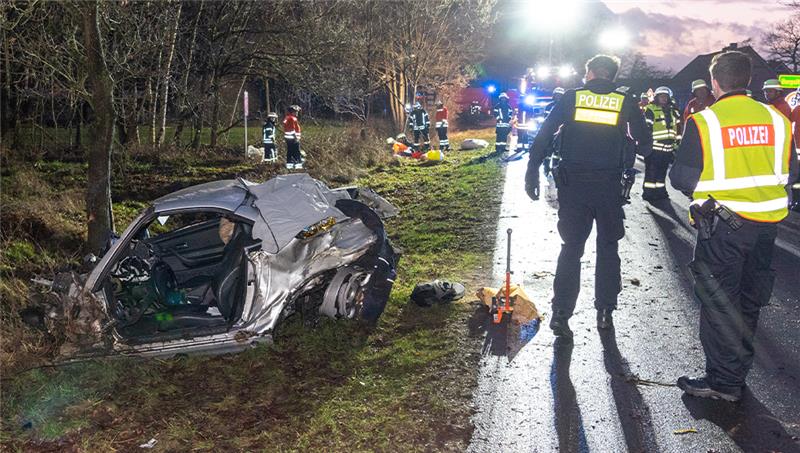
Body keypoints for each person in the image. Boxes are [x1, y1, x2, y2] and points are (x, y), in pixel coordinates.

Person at [669, 51, 798, 402]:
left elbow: (681, 177)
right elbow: (792, 173)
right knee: (749, 300)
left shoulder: (706, 121)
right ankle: (735, 373)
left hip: (723, 228)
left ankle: (723, 382)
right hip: (766, 230)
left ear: (714, 82)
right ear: (750, 79)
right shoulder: (778, 121)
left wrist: (710, 189)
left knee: (719, 303)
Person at [525, 55, 652, 337]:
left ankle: (561, 314)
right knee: (608, 248)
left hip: (574, 187)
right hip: (609, 188)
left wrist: (532, 170)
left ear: (591, 72)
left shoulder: (573, 98)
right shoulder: (625, 100)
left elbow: (545, 134)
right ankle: (605, 312)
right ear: (612, 76)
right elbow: (645, 144)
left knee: (571, 248)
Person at [642, 86, 682, 201]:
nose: (664, 98)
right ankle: (648, 193)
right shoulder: (650, 109)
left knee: (662, 171)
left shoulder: (674, 111)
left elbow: (678, 128)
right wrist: (646, 144)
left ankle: (660, 191)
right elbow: (647, 128)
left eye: (666, 96)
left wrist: (677, 142)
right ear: (657, 97)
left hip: (668, 148)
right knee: (651, 172)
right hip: (654, 148)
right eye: (661, 96)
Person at [283, 105, 303, 169]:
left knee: (290, 151)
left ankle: (289, 164)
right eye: (296, 111)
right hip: (293, 138)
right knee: (297, 151)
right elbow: (292, 129)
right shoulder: (292, 118)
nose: (297, 113)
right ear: (293, 111)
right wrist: (295, 137)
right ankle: (298, 164)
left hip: (288, 138)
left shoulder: (287, 118)